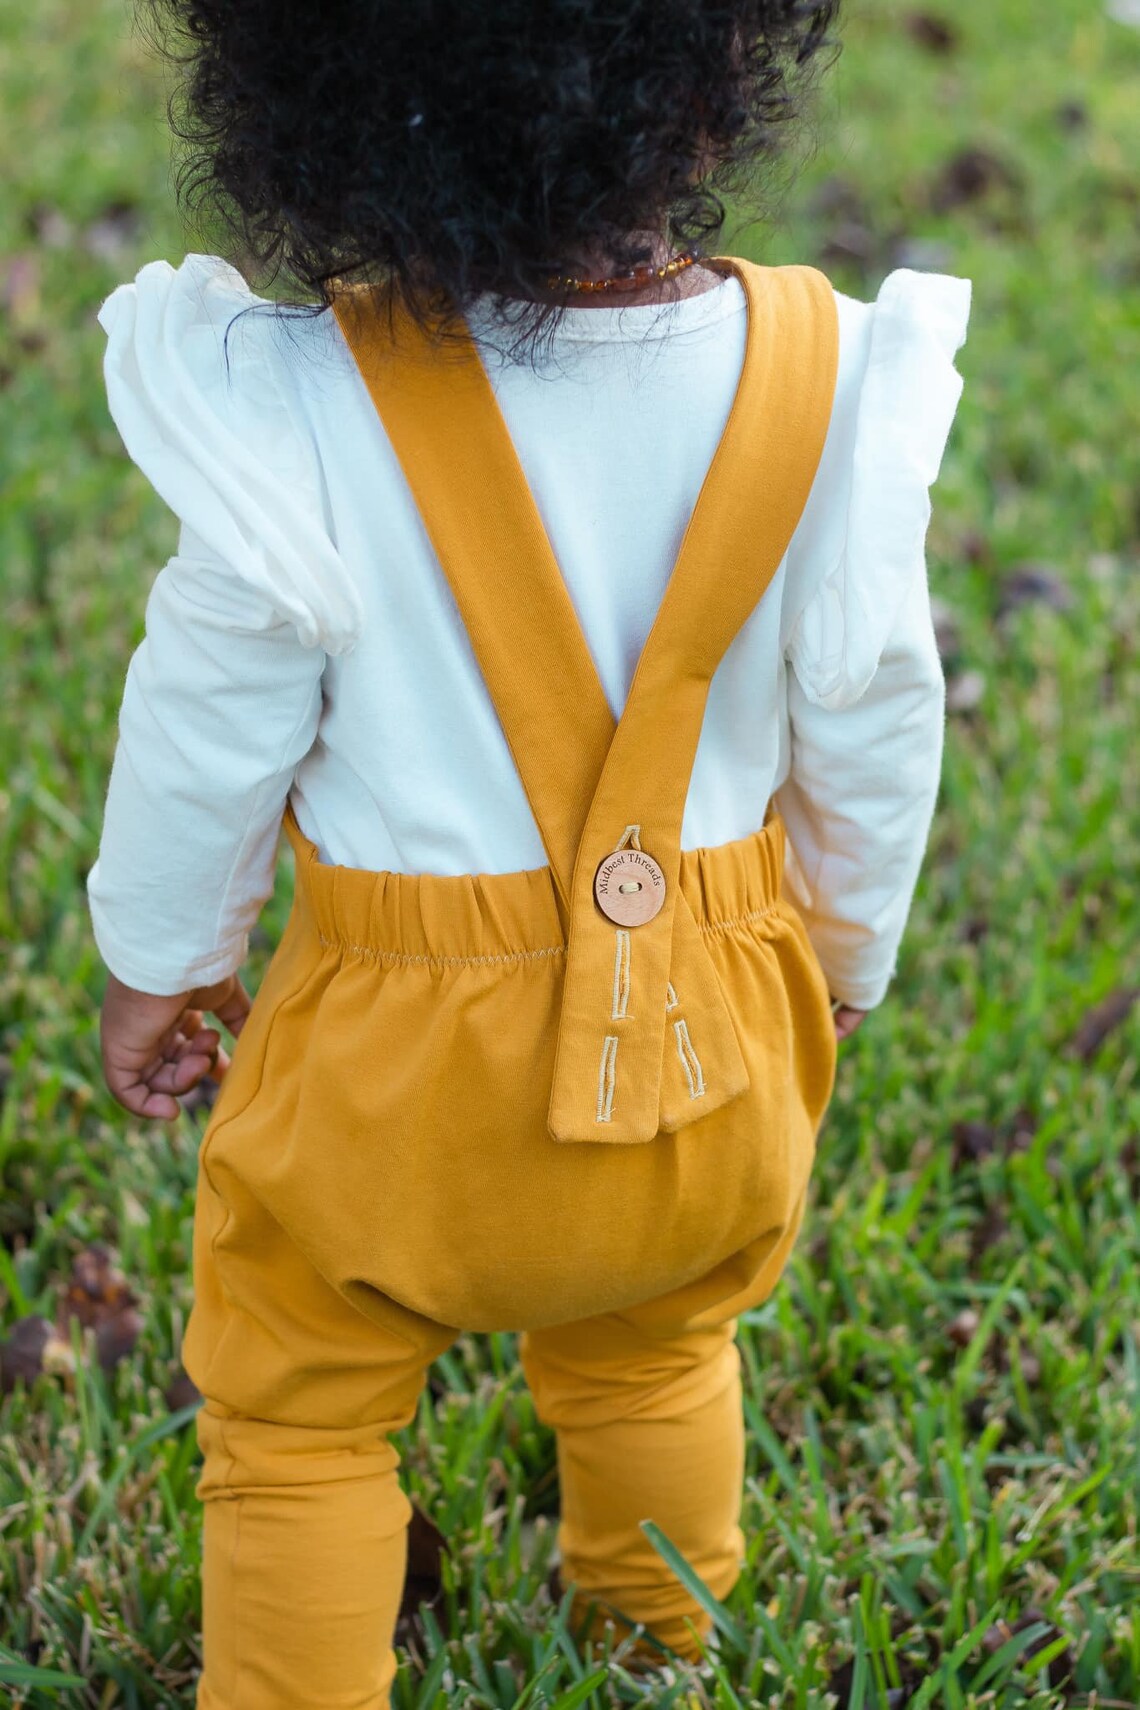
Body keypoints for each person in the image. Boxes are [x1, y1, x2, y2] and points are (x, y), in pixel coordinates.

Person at [87, 1, 970, 1703]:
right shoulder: (834, 376)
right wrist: (841, 958)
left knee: (299, 1405)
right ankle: (658, 1642)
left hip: (392, 1082)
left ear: (321, 109)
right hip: (710, 1049)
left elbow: (201, 731)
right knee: (657, 1350)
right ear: (720, 88)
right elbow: (877, 716)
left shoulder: (299, 402)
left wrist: (165, 960)